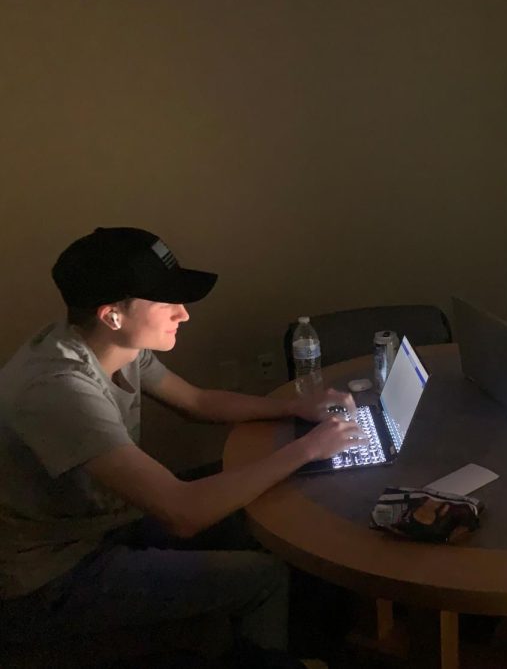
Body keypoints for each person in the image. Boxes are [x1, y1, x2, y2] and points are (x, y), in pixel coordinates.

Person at [0, 227, 362, 664]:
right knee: (263, 575)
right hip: (49, 574)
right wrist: (305, 450)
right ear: (113, 314)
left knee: (270, 508)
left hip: (103, 519)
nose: (183, 314)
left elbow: (197, 401)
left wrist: (296, 410)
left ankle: (313, 640)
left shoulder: (110, 342)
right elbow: (183, 513)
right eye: (167, 303)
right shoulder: (58, 389)